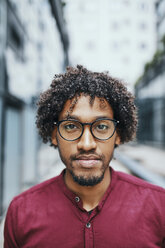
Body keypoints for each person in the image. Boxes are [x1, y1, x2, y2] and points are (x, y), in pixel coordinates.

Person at [4, 65, 165, 248]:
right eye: (71, 126)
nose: (87, 144)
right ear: (54, 134)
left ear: (118, 134)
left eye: (102, 126)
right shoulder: (21, 212)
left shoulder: (160, 206)